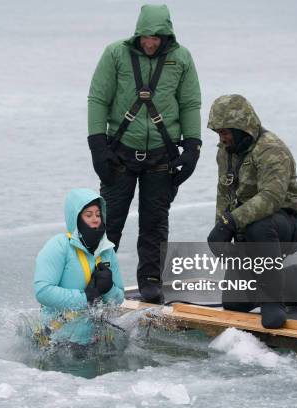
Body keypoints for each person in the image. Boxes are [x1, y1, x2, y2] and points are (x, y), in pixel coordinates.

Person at [87, 4, 202, 303]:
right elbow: (98, 99)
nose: (150, 43)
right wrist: (98, 147)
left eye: (157, 37)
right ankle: (98, 277)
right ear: (138, 34)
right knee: (109, 222)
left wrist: (192, 147)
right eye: (145, 37)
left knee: (154, 222)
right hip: (119, 153)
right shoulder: (115, 54)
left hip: (162, 156)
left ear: (167, 36)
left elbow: (190, 104)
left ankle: (150, 279)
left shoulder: (182, 58)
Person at [206, 94, 297, 329]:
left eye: (225, 132)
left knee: (260, 225)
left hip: (289, 224)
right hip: (247, 228)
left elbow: (271, 198)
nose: (221, 138)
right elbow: (224, 192)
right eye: (218, 133)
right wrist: (220, 227)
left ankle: (273, 301)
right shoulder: (225, 152)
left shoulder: (271, 149)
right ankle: (292, 279)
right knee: (234, 303)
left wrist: (231, 222)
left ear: (241, 128)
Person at [33, 188, 125, 347]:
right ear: (76, 219)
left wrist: (109, 288)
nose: (95, 219)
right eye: (88, 215)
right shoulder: (59, 246)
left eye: (98, 214)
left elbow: (118, 300)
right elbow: (43, 291)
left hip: (93, 342)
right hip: (56, 341)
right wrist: (85, 298)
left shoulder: (107, 250)